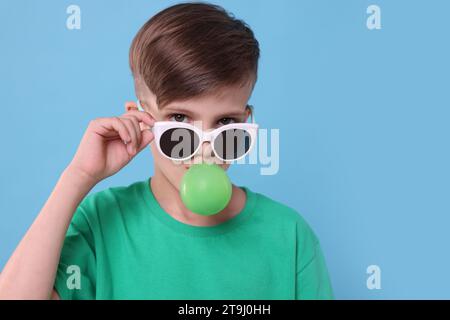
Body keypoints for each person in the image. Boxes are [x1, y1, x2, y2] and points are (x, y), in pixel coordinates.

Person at [0, 2, 333, 300]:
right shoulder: (100, 223)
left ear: (247, 122)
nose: (204, 146)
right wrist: (78, 177)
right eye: (179, 119)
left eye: (226, 123)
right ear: (142, 119)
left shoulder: (289, 237)